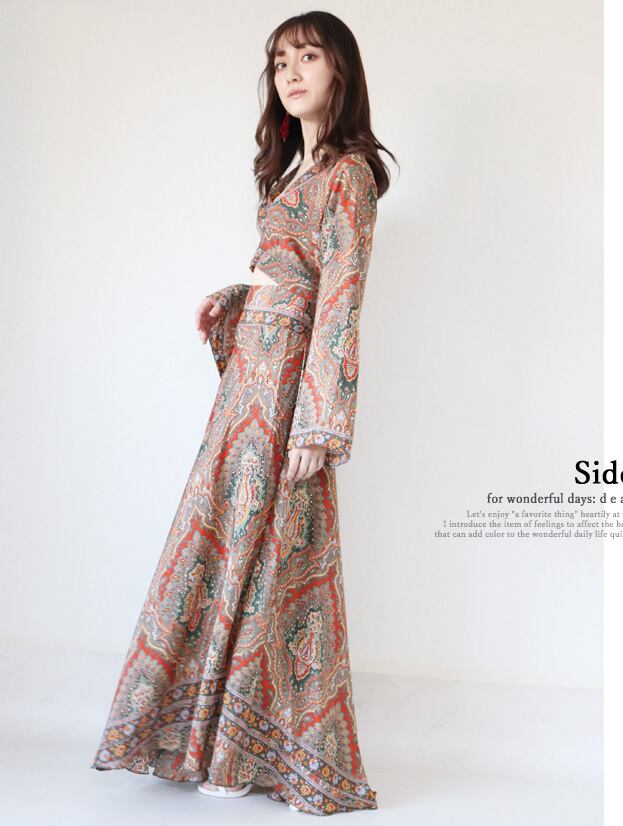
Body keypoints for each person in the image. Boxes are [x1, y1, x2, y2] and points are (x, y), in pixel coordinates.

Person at [90, 10, 396, 816]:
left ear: (340, 70)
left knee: (276, 567)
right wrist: (235, 299)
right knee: (223, 551)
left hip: (289, 400)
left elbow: (340, 301)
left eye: (308, 56)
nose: (290, 72)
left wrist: (321, 424)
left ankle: (247, 754)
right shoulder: (293, 176)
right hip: (245, 399)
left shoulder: (350, 176)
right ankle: (203, 742)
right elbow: (289, 280)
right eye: (279, 60)